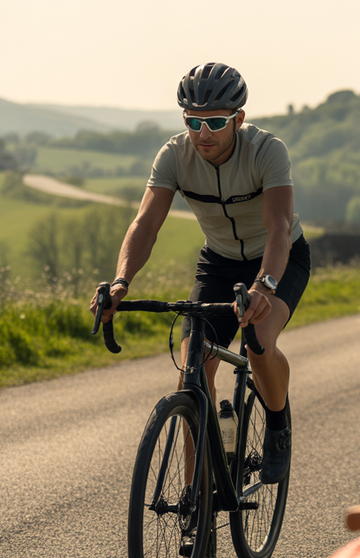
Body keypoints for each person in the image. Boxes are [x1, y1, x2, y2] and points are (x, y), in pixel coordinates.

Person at [90, 62, 310, 484]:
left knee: (259, 343)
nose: (202, 132)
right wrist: (121, 282)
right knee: (195, 363)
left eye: (214, 122)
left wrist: (265, 285)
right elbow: (145, 225)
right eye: (193, 120)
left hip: (279, 256)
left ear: (238, 119)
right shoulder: (174, 155)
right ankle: (198, 496)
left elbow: (278, 226)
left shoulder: (267, 151)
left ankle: (278, 427)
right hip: (220, 262)